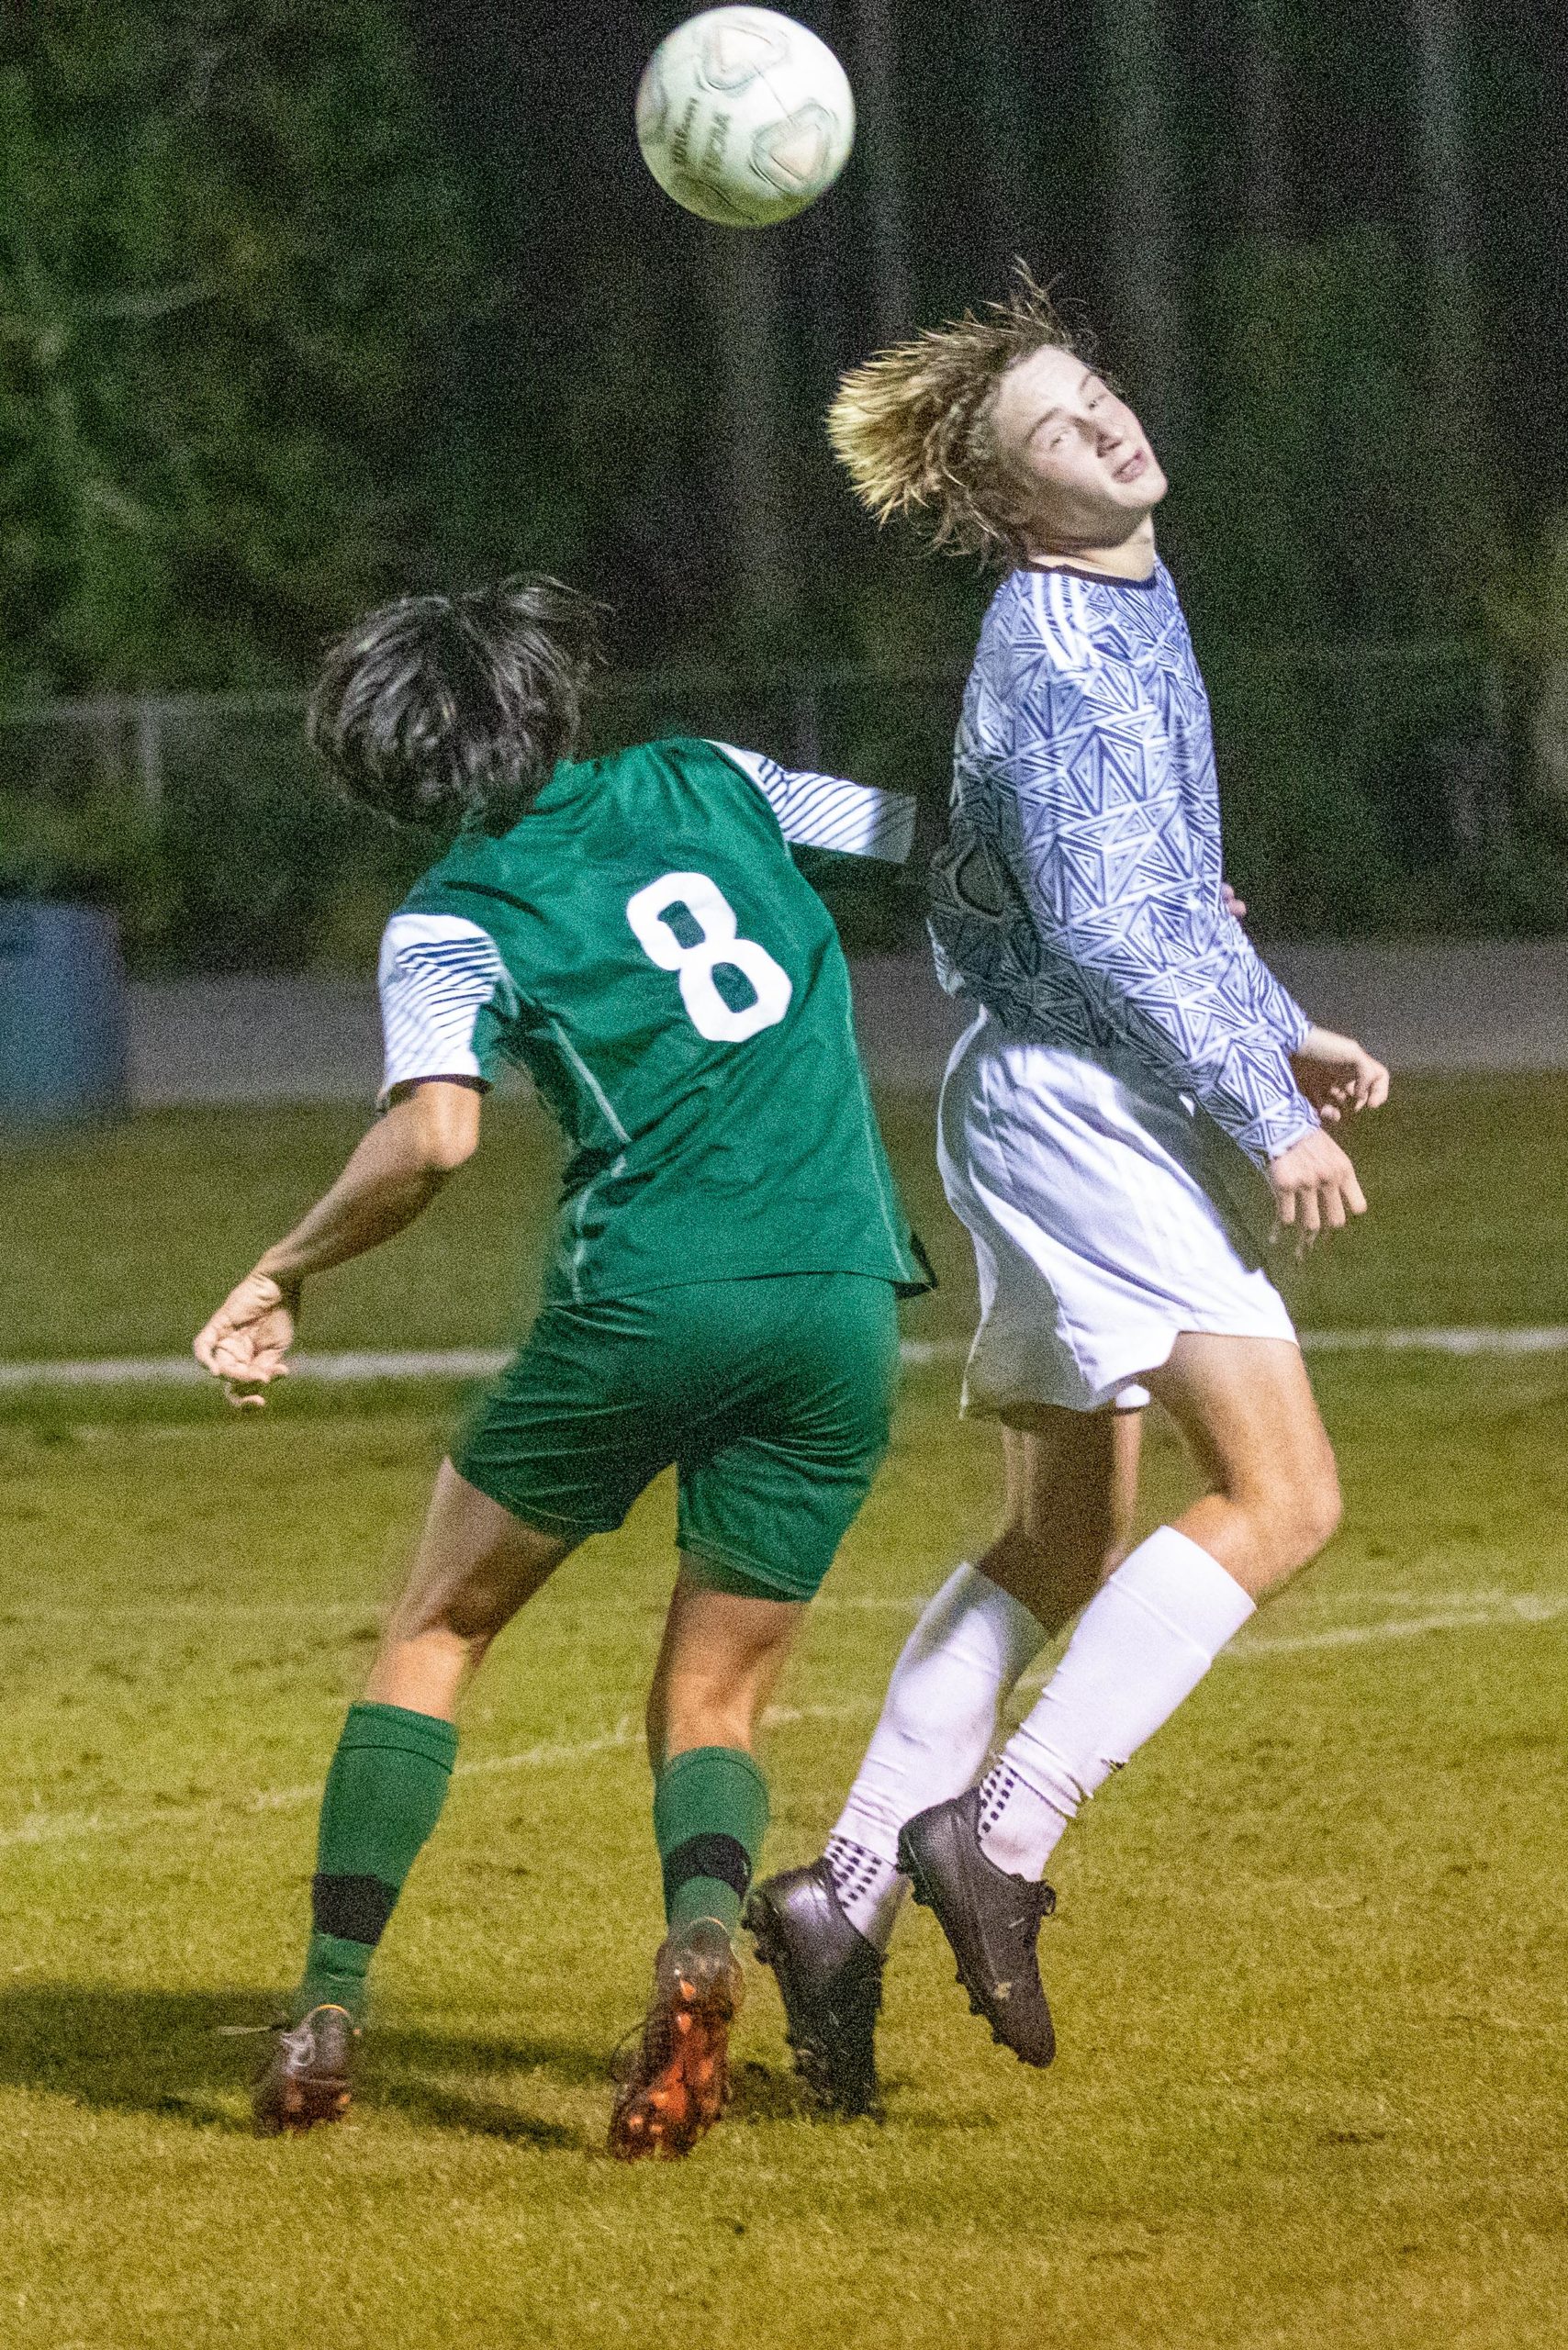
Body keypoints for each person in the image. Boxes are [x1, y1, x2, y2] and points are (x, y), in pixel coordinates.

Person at [745, 274, 1389, 2115]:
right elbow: (1111, 920)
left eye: (1092, 388)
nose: (1102, 422)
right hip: (1072, 1108)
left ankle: (843, 1889)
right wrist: (1259, 1104)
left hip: (1037, 1095)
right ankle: (998, 1837)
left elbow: (1153, 896)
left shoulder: (1115, 596)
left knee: (1052, 1539)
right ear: (1015, 502)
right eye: (1054, 427)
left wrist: (1280, 1024)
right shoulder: (1056, 639)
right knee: (1279, 1494)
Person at [193, 578, 931, 2160]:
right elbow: (925, 831)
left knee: (439, 1627)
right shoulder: (715, 778)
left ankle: (329, 2000)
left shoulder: (455, 913)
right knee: (715, 1689)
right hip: (843, 1299)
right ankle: (700, 1949)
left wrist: (284, 1266)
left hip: (648, 1302)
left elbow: (438, 1132)